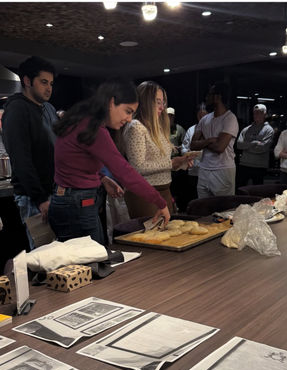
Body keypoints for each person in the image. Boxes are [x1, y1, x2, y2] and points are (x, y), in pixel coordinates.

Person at [48, 78, 170, 245]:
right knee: (93, 260)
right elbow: (125, 171)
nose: (129, 119)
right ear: (112, 103)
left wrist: (102, 178)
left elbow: (73, 161)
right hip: (76, 203)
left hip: (67, 199)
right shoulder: (95, 129)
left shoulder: (84, 120)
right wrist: (160, 202)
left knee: (90, 258)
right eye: (127, 111)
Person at [2, 56, 57, 249]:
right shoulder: (17, 109)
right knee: (44, 255)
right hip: (33, 197)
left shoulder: (49, 109)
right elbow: (21, 159)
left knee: (61, 254)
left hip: (54, 192)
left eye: (51, 83)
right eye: (43, 82)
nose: (49, 88)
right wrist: (40, 198)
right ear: (27, 81)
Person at [122, 80, 193, 218]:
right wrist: (171, 163)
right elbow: (138, 167)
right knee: (152, 237)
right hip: (144, 193)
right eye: (157, 102)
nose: (162, 107)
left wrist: (180, 164)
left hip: (164, 189)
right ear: (146, 102)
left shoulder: (158, 127)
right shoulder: (136, 127)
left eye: (163, 102)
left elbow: (160, 162)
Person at [190, 82, 239, 197]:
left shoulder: (229, 118)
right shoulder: (205, 119)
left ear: (218, 97)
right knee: (203, 207)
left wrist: (202, 142)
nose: (206, 97)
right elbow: (192, 145)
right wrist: (209, 140)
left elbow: (219, 147)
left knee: (222, 209)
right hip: (204, 169)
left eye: (209, 94)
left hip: (223, 170)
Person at [236, 104, 274, 187]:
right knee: (240, 189)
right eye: (255, 113)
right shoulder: (246, 129)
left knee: (257, 192)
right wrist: (253, 143)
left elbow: (262, 148)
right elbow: (238, 145)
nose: (256, 115)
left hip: (260, 166)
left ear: (265, 114)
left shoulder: (269, 130)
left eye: (259, 113)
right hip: (244, 164)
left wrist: (246, 147)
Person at [180, 103, 208, 205]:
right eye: (199, 116)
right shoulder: (191, 129)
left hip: (207, 170)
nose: (201, 118)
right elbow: (184, 148)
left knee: (205, 198)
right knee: (193, 196)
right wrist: (189, 153)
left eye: (204, 116)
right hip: (193, 169)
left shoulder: (212, 129)